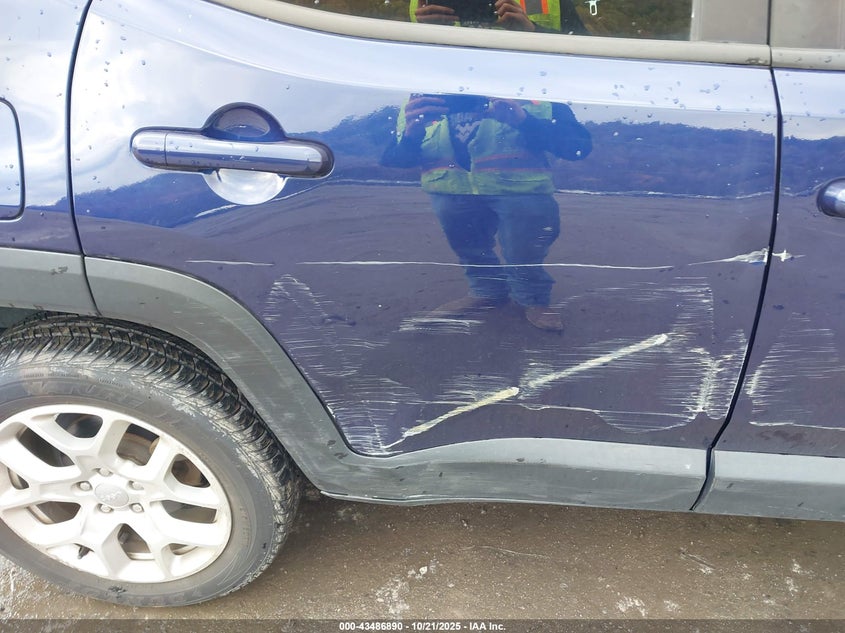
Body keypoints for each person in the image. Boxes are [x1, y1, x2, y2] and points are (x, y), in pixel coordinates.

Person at [381, 0, 592, 331]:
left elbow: (577, 139)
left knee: (524, 248)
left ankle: (533, 298)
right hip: (449, 186)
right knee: (468, 245)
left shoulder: (544, 20)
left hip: (521, 186)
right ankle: (486, 292)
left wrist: (532, 34)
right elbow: (396, 157)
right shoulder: (423, 87)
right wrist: (411, 133)